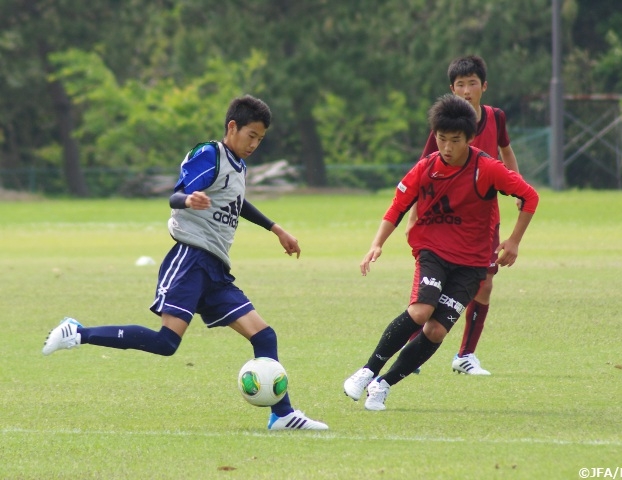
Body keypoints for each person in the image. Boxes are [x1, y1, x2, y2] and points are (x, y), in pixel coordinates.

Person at [42, 95, 328, 431]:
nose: (254, 144)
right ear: (232, 127)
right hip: (191, 259)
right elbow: (175, 195)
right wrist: (189, 199)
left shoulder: (238, 165)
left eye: (260, 139)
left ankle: (282, 414)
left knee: (264, 336)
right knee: (166, 342)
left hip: (216, 269)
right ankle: (77, 332)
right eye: (251, 135)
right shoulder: (209, 154)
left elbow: (237, 202)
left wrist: (275, 228)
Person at [343, 94, 538, 411]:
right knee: (421, 311)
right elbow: (396, 207)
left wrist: (514, 241)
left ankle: (383, 385)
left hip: (472, 265)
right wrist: (376, 244)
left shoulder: (487, 168)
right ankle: (366, 372)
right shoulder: (425, 168)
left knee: (435, 330)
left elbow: (530, 197)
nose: (447, 147)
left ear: (469, 138)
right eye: (441, 139)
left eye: (455, 140)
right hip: (433, 251)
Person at [406, 55, 520, 375]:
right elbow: (422, 172)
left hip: (483, 219)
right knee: (435, 283)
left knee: (484, 284)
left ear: (484, 86)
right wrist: (415, 216)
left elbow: (505, 149)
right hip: (444, 218)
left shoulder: (496, 117)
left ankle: (465, 355)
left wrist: (517, 185)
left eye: (472, 83)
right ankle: (414, 346)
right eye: (460, 85)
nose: (466, 91)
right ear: (451, 89)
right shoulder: (444, 124)